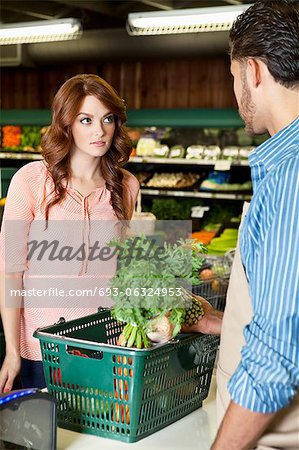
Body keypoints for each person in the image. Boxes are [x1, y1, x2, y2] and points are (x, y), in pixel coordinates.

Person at [186, 1, 299, 449]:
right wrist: (221, 322)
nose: (236, 95)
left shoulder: (291, 174)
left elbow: (276, 357)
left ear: (253, 71)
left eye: (233, 77)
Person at [0, 74, 139, 392]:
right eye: (86, 119)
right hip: (43, 349)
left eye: (107, 118)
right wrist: (11, 351)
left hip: (105, 346)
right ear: (66, 124)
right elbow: (10, 273)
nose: (100, 130)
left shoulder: (126, 186)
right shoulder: (31, 181)